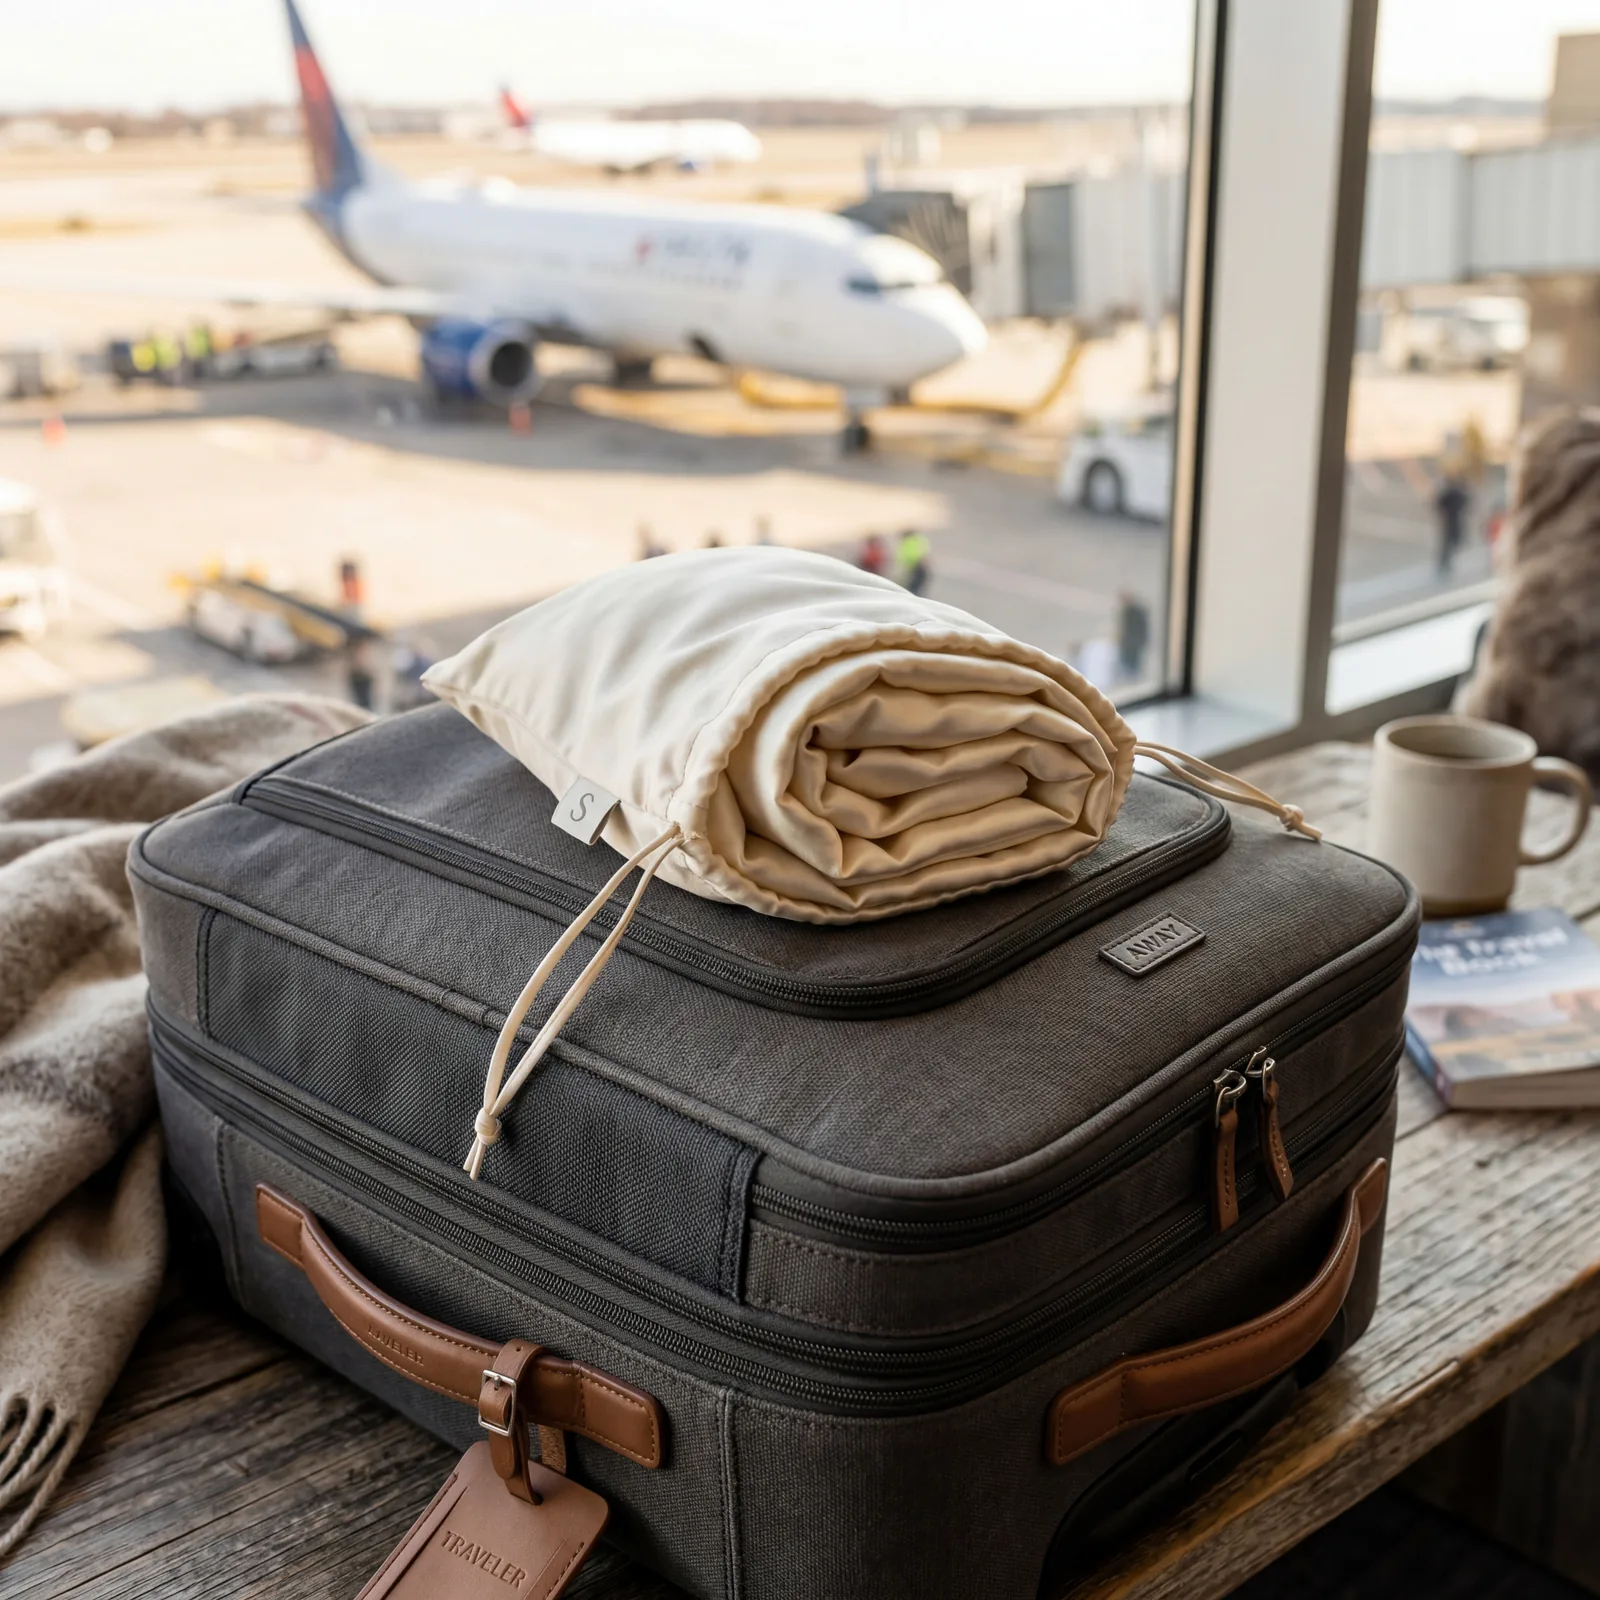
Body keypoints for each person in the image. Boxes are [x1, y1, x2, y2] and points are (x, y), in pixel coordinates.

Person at [1115, 593, 1151, 682]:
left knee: (1133, 660)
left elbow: (1142, 627)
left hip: (1134, 642)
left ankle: (1133, 677)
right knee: (1127, 660)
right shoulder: (1127, 611)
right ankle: (1130, 676)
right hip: (1128, 642)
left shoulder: (1136, 612)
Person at [894, 528, 931, 595]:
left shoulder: (909, 542)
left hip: (916, 567)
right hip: (917, 567)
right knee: (915, 588)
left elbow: (910, 556)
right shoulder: (917, 540)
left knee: (913, 588)